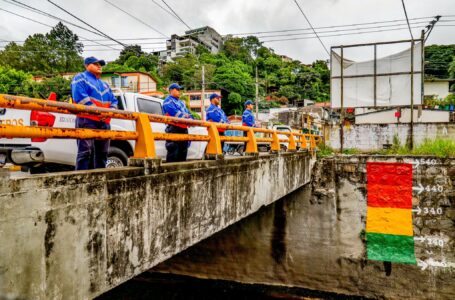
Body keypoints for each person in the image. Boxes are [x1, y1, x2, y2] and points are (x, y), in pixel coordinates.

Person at [71, 56, 118, 170]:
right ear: (87, 66)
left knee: (103, 153)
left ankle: (100, 177)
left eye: (100, 64)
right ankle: (81, 179)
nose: (99, 66)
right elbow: (80, 96)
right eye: (95, 64)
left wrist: (110, 111)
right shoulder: (80, 78)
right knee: (85, 152)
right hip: (87, 119)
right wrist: (97, 111)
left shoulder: (105, 84)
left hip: (104, 122)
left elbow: (114, 100)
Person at [162, 83, 194, 162]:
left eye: (180, 90)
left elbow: (189, 113)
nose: (179, 91)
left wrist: (190, 119)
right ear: (171, 90)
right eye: (177, 89)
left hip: (184, 129)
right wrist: (187, 118)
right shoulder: (168, 100)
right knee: (173, 152)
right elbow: (174, 113)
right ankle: (170, 172)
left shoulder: (181, 103)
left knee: (183, 152)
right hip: (174, 128)